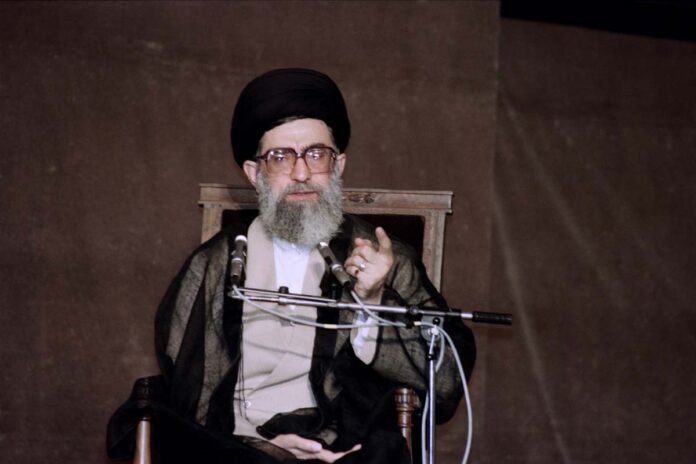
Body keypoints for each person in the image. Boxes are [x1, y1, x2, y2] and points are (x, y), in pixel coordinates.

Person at [107, 68, 475, 464]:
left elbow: (446, 382)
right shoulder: (215, 262)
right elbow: (191, 387)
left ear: (338, 165)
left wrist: (373, 304)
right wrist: (262, 445)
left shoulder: (383, 257)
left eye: (316, 155)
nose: (301, 174)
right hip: (239, 447)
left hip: (340, 448)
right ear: (255, 173)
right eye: (280, 157)